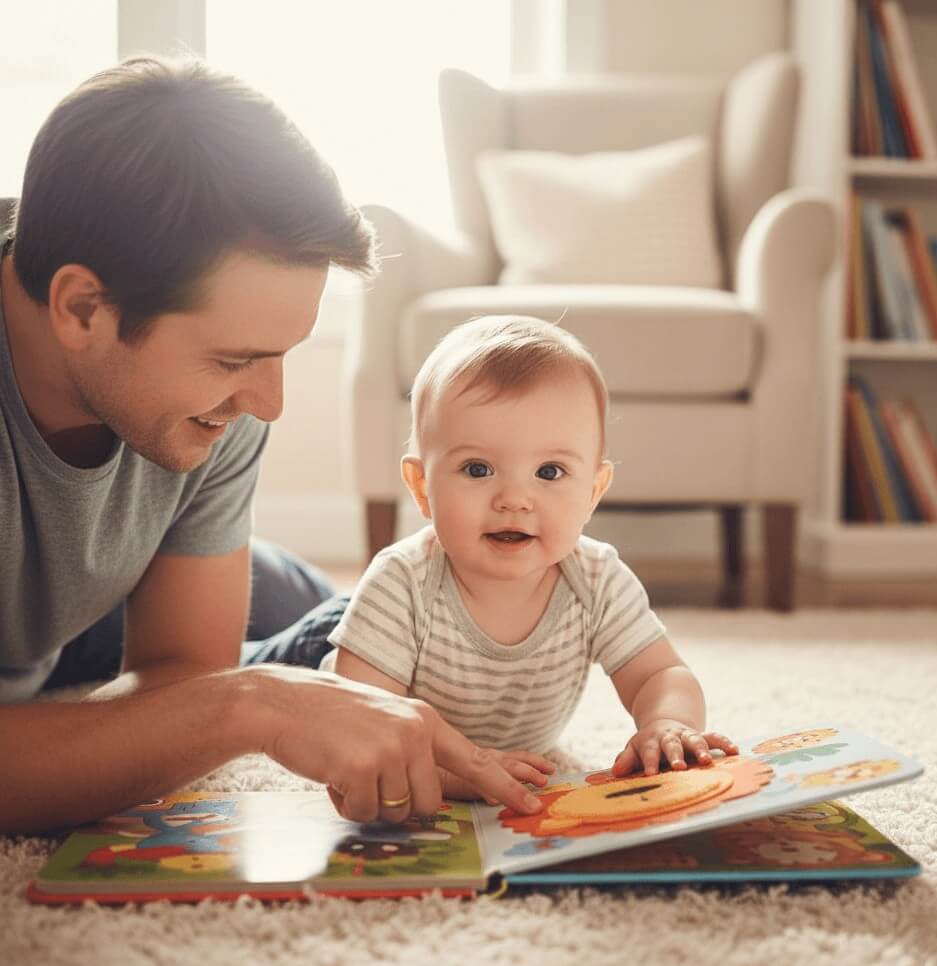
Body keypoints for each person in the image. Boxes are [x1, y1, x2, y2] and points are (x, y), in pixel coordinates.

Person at [0, 57, 545, 836]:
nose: (269, 405)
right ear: (82, 307)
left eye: (281, 353)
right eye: (233, 361)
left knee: (379, 620)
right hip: (59, 610)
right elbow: (210, 698)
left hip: (94, 588)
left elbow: (186, 668)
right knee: (301, 674)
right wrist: (254, 703)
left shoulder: (216, 392)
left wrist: (233, 698)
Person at [318, 315, 738, 799]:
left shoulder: (595, 577)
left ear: (593, 491)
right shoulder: (401, 582)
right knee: (284, 658)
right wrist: (453, 774)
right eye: (478, 469)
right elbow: (361, 723)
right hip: (348, 644)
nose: (515, 498)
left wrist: (667, 722)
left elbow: (659, 674)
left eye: (550, 472)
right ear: (421, 487)